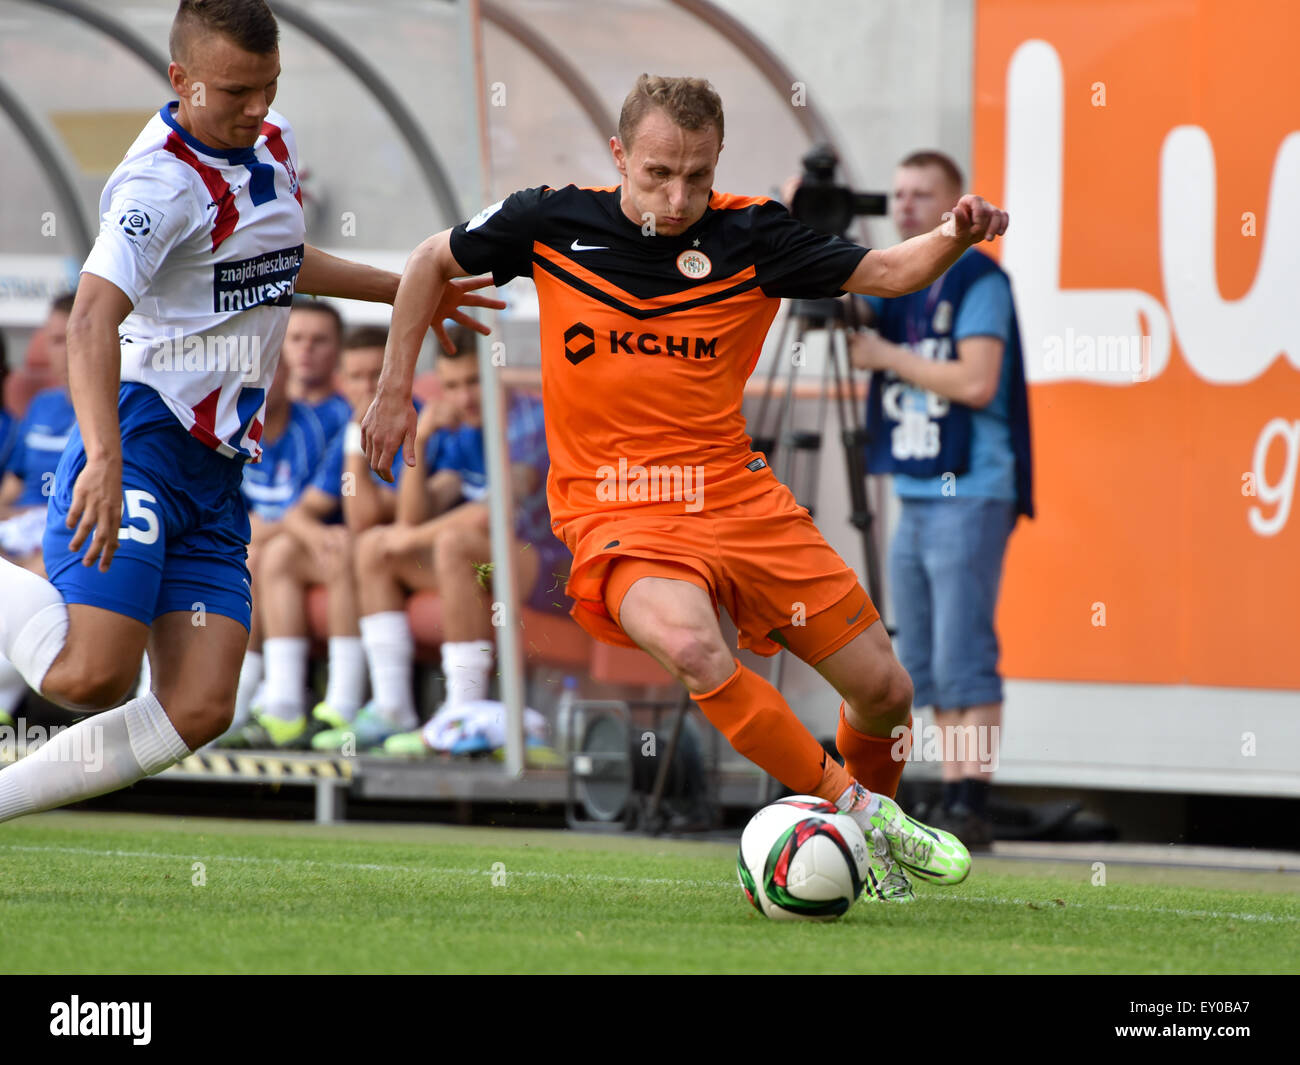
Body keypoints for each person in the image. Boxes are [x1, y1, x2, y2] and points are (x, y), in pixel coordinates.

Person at [364, 74, 1009, 900]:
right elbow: (428, 260)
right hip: (615, 504)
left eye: (697, 176)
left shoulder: (753, 234)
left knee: (885, 688)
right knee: (698, 645)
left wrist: (956, 235)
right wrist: (393, 387)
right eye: (658, 174)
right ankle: (856, 810)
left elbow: (885, 271)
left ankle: (862, 848)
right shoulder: (549, 218)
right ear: (619, 157)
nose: (677, 198)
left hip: (735, 497)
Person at [0, 0, 499, 824]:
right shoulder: (156, 184)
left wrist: (411, 286)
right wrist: (105, 458)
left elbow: (278, 256)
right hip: (145, 437)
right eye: (235, 91)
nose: (257, 107)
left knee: (198, 707)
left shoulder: (273, 139)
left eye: (268, 86)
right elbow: (91, 319)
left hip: (220, 465)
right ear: (181, 80)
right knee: (92, 676)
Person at [848, 150, 1033, 850]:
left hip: (973, 486)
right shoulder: (894, 281)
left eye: (923, 194)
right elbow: (830, 299)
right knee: (917, 655)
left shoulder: (980, 274)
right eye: (897, 193)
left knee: (964, 650)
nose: (905, 205)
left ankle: (969, 795)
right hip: (916, 487)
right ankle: (941, 786)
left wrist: (888, 358)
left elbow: (979, 381)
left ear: (959, 204)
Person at [311, 328, 562, 753]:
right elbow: (415, 512)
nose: (464, 398)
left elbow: (497, 508)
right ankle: (393, 707)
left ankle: (463, 708)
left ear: (496, 374)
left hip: (550, 567)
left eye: (474, 381)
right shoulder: (460, 426)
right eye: (451, 386)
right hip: (490, 561)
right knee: (373, 547)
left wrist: (408, 538)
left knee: (452, 543)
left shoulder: (528, 421)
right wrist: (422, 437)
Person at [240, 324, 407, 747]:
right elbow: (302, 510)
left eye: (378, 377)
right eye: (358, 378)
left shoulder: (348, 421)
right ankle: (278, 704)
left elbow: (373, 516)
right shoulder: (350, 425)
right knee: (275, 555)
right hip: (369, 549)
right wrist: (313, 534)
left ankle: (345, 704)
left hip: (403, 554)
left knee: (349, 546)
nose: (368, 388)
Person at [0, 292, 78, 574]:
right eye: (56, 341)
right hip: (17, 538)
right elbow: (9, 493)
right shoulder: (42, 404)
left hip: (67, 542)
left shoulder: (118, 410)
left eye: (74, 337)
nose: (67, 351)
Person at [282, 296, 351, 441]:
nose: (306, 348)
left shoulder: (352, 417)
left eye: (319, 340)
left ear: (339, 348)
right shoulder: (256, 416)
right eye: (296, 338)